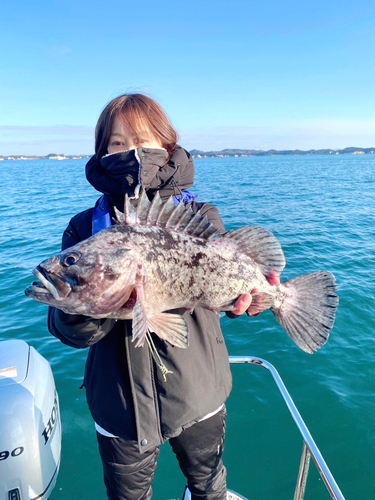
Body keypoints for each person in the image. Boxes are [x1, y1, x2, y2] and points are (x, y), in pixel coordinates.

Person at [48, 93, 279, 500]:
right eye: (117, 143)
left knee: (209, 486)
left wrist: (256, 300)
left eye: (142, 139)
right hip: (119, 409)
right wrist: (81, 307)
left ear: (166, 146)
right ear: (102, 151)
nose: (130, 152)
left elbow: (229, 295)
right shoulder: (85, 227)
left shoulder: (201, 216)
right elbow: (69, 332)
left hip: (198, 393)